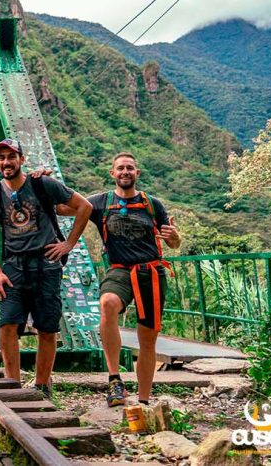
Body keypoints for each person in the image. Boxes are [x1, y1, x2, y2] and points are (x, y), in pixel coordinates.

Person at [0, 139, 92, 398]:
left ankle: (42, 386)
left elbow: (84, 206)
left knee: (47, 326)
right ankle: (13, 386)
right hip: (14, 266)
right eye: (1, 158)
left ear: (22, 159)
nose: (6, 162)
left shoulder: (43, 184)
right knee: (7, 324)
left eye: (11, 156)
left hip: (46, 264)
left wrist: (68, 244)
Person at [86, 152, 180, 407]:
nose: (125, 172)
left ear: (137, 173)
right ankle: (115, 379)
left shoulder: (153, 204)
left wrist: (173, 237)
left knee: (147, 338)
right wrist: (39, 182)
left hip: (151, 272)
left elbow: (173, 242)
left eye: (130, 168)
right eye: (120, 168)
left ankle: (144, 400)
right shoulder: (99, 203)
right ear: (112, 173)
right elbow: (63, 205)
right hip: (120, 270)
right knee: (107, 303)